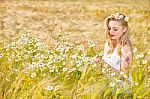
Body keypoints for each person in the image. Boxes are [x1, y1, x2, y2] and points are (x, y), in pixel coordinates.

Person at [101, 13, 134, 86]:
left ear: (124, 29)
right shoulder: (108, 44)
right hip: (106, 82)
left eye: (115, 29)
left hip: (121, 85)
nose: (111, 32)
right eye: (109, 28)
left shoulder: (126, 48)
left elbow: (124, 75)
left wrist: (103, 65)